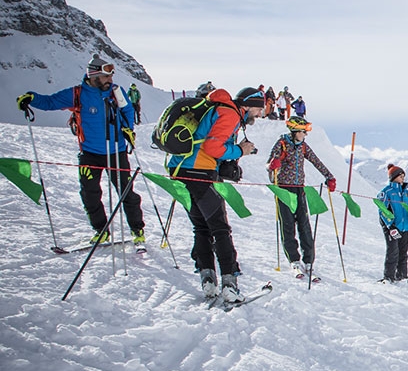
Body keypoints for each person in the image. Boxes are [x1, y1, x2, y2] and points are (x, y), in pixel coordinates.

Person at [17, 54, 145, 246]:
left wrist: (128, 129)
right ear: (93, 75)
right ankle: (101, 230)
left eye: (110, 77)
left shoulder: (116, 92)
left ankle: (137, 230)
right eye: (106, 77)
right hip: (90, 153)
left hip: (116, 151)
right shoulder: (77, 94)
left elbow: (127, 110)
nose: (110, 80)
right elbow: (51, 102)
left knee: (126, 192)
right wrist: (32, 98)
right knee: (89, 193)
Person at [167, 86, 264, 302]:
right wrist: (240, 151)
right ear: (247, 105)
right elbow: (212, 148)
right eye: (258, 109)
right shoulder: (229, 114)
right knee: (220, 228)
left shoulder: (219, 110)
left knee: (201, 227)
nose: (259, 114)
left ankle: (208, 281)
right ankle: (230, 284)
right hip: (199, 172)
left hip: (180, 171)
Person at [267, 117, 336, 280]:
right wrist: (272, 166)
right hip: (284, 190)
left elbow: (316, 161)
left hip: (300, 189)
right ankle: (294, 260)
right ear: (295, 131)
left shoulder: (303, 147)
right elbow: (269, 167)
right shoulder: (282, 144)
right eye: (303, 131)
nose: (305, 134)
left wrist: (329, 176)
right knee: (288, 225)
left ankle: (309, 261)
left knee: (304, 225)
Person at [377, 164, 408, 283]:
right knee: (393, 251)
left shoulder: (406, 193)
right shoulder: (386, 192)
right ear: (393, 177)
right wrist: (390, 226)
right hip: (393, 227)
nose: (403, 178)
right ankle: (389, 276)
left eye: (403, 176)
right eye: (400, 176)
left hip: (405, 227)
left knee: (403, 252)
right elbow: (382, 210)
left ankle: (402, 275)